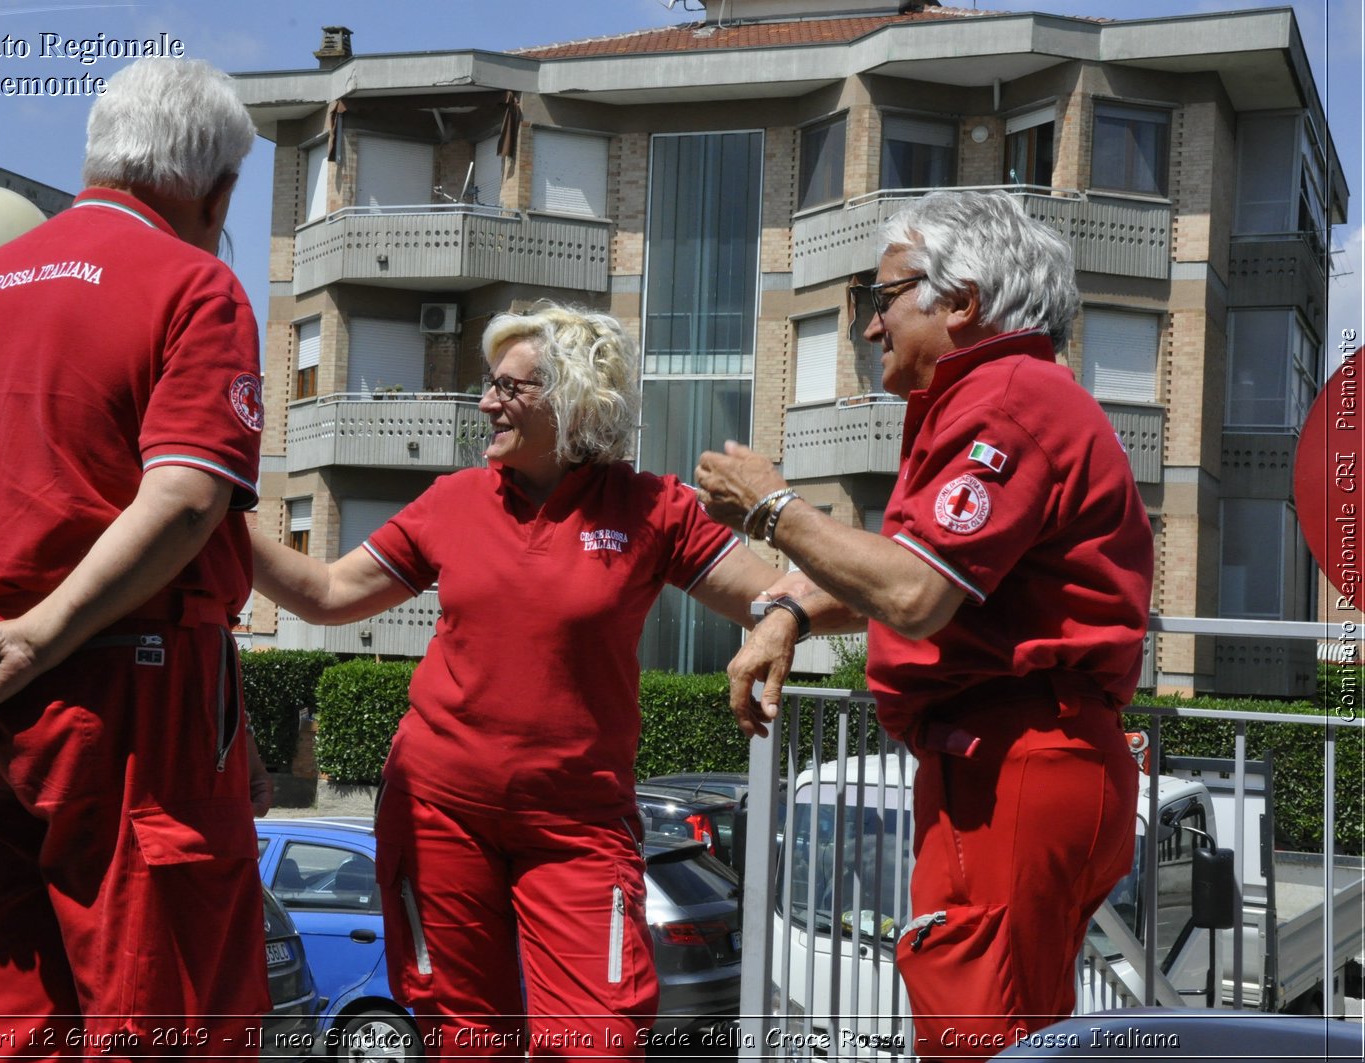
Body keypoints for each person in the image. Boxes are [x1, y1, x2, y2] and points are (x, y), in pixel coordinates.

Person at [0, 57, 272, 1058]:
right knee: (160, 1013)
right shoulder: (194, 288)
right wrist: (43, 631)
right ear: (218, 189)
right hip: (124, 697)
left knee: (1, 1007)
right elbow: (183, 497)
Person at [253, 303, 804, 1059]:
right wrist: (211, 506)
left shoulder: (652, 510)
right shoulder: (453, 501)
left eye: (511, 389)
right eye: (491, 385)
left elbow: (787, 592)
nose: (487, 403)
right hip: (439, 809)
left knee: (600, 1042)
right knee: (466, 1037)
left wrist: (780, 618)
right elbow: (326, 593)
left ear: (575, 399)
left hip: (578, 826)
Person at [695, 190, 1153, 1060]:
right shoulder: (1003, 397)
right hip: (1007, 753)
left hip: (1017, 754)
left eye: (882, 297)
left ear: (962, 300)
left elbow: (911, 593)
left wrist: (771, 508)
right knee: (1000, 1019)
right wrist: (790, 605)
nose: (871, 327)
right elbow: (922, 568)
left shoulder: (1005, 402)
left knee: (979, 1032)